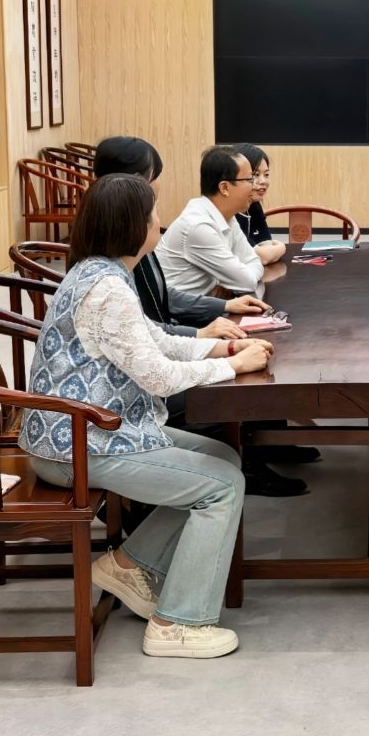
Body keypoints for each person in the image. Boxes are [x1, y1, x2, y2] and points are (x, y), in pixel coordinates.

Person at [19, 173, 276, 660]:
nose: (161, 222)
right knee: (221, 486)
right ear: (132, 226)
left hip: (81, 435)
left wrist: (220, 348)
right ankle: (178, 623)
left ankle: (130, 566)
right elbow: (158, 377)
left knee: (223, 457)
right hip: (80, 447)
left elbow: (153, 341)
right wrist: (232, 367)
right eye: (154, 214)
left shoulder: (98, 272)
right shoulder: (108, 288)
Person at [94, 135, 310, 497]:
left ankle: (265, 442)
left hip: (165, 333)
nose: (162, 219)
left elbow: (157, 317)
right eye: (154, 179)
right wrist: (226, 358)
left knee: (249, 343)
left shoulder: (117, 253)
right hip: (122, 396)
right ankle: (249, 460)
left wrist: (220, 314)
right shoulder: (113, 270)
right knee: (247, 364)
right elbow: (154, 359)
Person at [93, 136, 268, 338]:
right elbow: (144, 333)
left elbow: (163, 296)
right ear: (134, 181)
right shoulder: (112, 262)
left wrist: (223, 306)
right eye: (155, 176)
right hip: (171, 329)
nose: (158, 185)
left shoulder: (125, 239)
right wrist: (202, 335)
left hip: (172, 325)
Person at [157, 146, 284, 301]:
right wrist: (241, 276)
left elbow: (253, 260)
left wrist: (242, 275)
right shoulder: (199, 226)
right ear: (224, 188)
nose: (254, 186)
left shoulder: (227, 216)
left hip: (206, 303)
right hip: (177, 312)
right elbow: (246, 282)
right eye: (249, 179)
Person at [228, 142, 289, 259]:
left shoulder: (254, 205)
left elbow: (267, 245)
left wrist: (269, 252)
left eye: (266, 175)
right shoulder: (228, 213)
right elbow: (263, 256)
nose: (263, 181)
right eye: (255, 174)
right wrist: (281, 247)